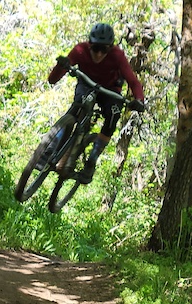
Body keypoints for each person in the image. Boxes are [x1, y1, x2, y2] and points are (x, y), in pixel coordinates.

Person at [48, 22, 146, 184]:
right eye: (95, 49)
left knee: (113, 115)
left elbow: (133, 81)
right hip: (86, 84)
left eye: (104, 50)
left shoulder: (117, 56)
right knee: (77, 108)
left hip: (110, 91)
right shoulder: (80, 50)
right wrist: (61, 66)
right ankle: (51, 148)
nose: (99, 54)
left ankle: (92, 159)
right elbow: (54, 78)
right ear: (89, 45)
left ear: (110, 48)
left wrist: (139, 100)